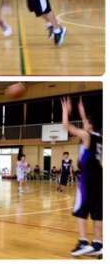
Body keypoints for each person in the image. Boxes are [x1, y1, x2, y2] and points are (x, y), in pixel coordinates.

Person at [61, 97, 102, 257]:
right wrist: (83, 113)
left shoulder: (87, 136)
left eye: (86, 123)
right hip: (100, 177)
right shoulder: (101, 137)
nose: (84, 124)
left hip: (88, 178)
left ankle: (84, 242)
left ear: (90, 126)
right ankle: (98, 244)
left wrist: (66, 111)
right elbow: (88, 124)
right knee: (98, 212)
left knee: (81, 210)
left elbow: (67, 126)